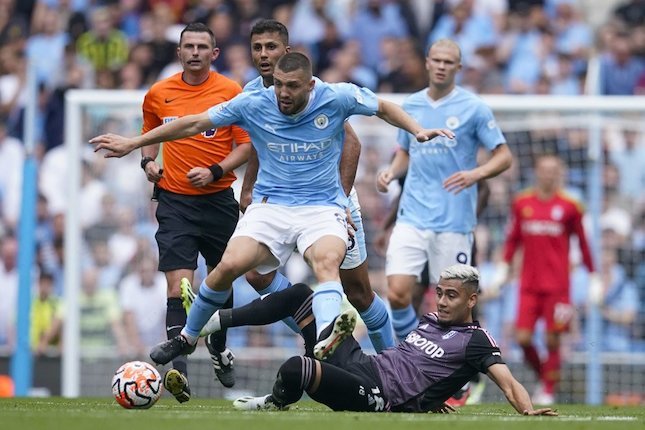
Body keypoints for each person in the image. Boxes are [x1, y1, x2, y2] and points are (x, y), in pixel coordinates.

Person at [91, 51, 453, 369]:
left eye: (291, 86)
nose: (282, 93)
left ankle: (327, 336)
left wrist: (417, 130)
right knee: (229, 266)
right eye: (278, 85)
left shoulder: (336, 96)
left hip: (321, 207)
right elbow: (195, 122)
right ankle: (187, 337)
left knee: (328, 265)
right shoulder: (254, 102)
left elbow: (384, 108)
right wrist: (135, 142)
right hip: (271, 207)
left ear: (310, 85)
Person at [242, 19, 395, 351]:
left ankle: (395, 365)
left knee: (359, 292)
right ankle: (321, 331)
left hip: (329, 202)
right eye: (258, 47)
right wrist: (247, 189)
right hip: (279, 203)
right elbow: (260, 143)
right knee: (256, 275)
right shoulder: (253, 94)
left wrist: (338, 202)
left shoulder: (316, 92)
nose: (264, 54)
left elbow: (352, 144)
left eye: (271, 47)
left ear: (288, 51)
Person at [232, 264, 557, 416]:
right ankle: (220, 322)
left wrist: (527, 411)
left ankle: (275, 401)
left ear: (471, 301)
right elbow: (419, 368)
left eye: (451, 296)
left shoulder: (477, 340)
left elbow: (508, 382)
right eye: (440, 294)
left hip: (378, 395)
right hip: (366, 364)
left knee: (295, 369)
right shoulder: (430, 320)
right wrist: (430, 399)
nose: (441, 302)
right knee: (302, 295)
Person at [138, 22, 252, 403]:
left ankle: (219, 350)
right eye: (189, 46)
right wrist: (148, 162)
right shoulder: (158, 93)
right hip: (174, 201)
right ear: (179, 51)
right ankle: (178, 371)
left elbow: (246, 146)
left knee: (221, 282)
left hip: (219, 199)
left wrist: (216, 171)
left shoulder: (231, 92)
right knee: (176, 286)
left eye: (203, 46)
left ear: (214, 53)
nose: (196, 52)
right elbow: (149, 135)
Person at [376, 38, 512, 341]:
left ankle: (457, 379)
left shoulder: (474, 108)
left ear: (458, 68)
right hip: (412, 216)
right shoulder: (410, 105)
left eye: (448, 62)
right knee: (397, 294)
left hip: (454, 223)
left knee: (455, 306)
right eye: (436, 60)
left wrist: (475, 174)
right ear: (427, 62)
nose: (441, 66)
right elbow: (405, 152)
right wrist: (389, 171)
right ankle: (413, 356)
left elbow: (504, 156)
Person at [490, 153, 599, 405]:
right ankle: (547, 377)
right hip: (528, 284)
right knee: (523, 338)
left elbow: (583, 243)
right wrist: (503, 267)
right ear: (536, 172)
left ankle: (548, 390)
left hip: (559, 287)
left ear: (560, 173)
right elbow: (513, 239)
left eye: (553, 170)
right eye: (544, 169)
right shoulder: (522, 202)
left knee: (553, 338)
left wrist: (593, 276)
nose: (548, 174)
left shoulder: (571, 206)